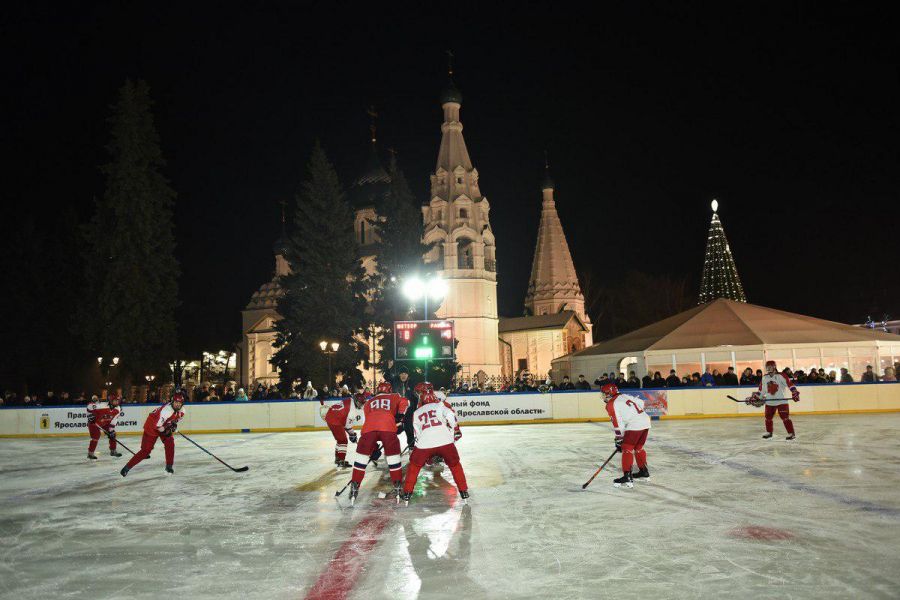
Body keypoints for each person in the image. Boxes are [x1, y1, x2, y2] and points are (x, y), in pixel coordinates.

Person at [401, 389, 468, 505]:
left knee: (414, 466)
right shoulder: (441, 405)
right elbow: (452, 417)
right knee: (455, 465)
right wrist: (451, 431)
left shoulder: (417, 412)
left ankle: (407, 493)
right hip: (445, 441)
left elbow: (417, 431)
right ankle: (464, 491)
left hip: (425, 443)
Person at [348, 381, 409, 505]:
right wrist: (401, 415)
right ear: (389, 389)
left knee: (361, 461)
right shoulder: (394, 396)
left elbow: (371, 422)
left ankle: (354, 488)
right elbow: (405, 402)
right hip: (388, 428)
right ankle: (397, 487)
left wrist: (373, 449)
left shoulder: (369, 402)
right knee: (394, 460)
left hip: (368, 430)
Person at [120, 391, 186, 477]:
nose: (177, 404)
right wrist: (167, 430)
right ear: (172, 402)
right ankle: (127, 467)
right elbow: (159, 427)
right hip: (152, 425)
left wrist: (173, 425)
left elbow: (174, 420)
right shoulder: (166, 411)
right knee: (145, 451)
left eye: (179, 403)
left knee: (170, 443)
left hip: (162, 425)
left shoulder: (182, 411)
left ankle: (169, 466)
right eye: (176, 402)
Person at [601, 383, 651, 488]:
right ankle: (643, 471)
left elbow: (617, 423)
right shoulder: (624, 396)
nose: (603, 396)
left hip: (635, 425)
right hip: (645, 421)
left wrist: (619, 438)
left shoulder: (611, 404)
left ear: (609, 393)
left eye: (604, 394)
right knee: (638, 448)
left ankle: (627, 476)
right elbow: (641, 403)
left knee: (627, 449)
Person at [745, 360, 799, 440]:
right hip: (770, 401)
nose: (768, 368)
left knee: (785, 418)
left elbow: (790, 384)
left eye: (770, 367)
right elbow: (761, 390)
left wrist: (794, 392)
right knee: (768, 418)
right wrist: (756, 397)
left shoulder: (781, 375)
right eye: (767, 367)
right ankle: (769, 432)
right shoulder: (764, 377)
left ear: (774, 367)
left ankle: (791, 433)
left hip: (781, 401)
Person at [321, 392, 366, 468]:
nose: (360, 405)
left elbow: (345, 422)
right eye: (359, 403)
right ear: (356, 401)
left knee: (340, 440)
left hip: (331, 417)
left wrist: (351, 433)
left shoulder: (350, 400)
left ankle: (338, 458)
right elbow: (347, 425)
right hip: (335, 420)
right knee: (343, 440)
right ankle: (341, 460)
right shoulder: (352, 410)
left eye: (362, 403)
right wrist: (352, 434)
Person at [86, 392, 122, 459]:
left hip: (105, 423)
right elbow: (89, 406)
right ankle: (90, 453)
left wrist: (111, 430)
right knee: (96, 437)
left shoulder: (118, 409)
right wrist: (89, 416)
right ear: (111, 400)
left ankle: (113, 451)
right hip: (94, 423)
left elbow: (114, 419)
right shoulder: (101, 405)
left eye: (118, 400)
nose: (117, 402)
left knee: (113, 435)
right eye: (115, 400)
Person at [392, 366, 418, 448]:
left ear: (408, 375)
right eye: (402, 374)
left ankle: (411, 447)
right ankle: (391, 446)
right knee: (393, 430)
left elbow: (415, 399)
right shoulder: (395, 383)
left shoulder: (412, 384)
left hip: (409, 413)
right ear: (399, 375)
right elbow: (388, 377)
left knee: (410, 431)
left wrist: (414, 410)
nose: (403, 375)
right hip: (397, 414)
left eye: (405, 374)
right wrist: (389, 368)